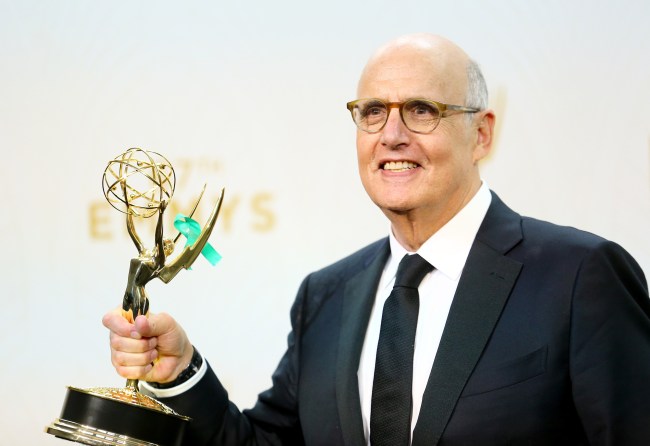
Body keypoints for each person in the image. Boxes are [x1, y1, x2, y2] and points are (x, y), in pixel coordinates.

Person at [103, 33, 650, 445]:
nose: (392, 135)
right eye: (372, 112)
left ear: (481, 133)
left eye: (421, 110)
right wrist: (181, 373)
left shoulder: (581, 277)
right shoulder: (326, 297)